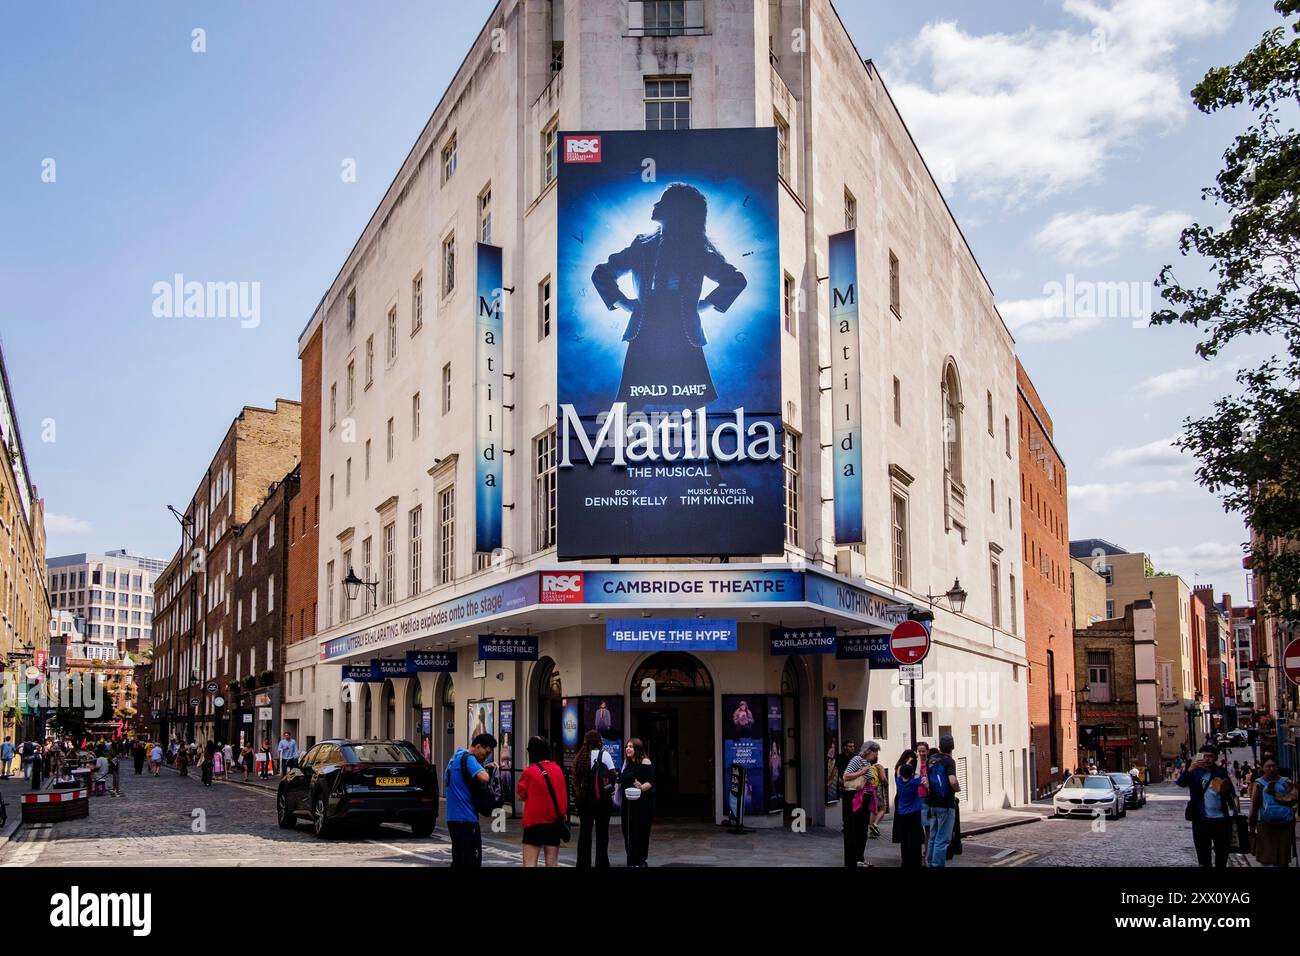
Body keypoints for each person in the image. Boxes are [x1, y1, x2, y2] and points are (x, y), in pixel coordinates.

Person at [591, 181, 748, 411]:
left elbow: (735, 280)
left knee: (695, 400)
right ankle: (622, 445)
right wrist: (622, 302)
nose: (656, 204)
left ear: (677, 210)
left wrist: (703, 305)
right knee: (632, 400)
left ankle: (704, 444)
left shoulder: (697, 251)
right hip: (646, 324)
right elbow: (602, 272)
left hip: (683, 326)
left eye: (663, 201)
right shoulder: (642, 245)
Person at [1177, 744, 1237, 868]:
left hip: (1220, 820)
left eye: (1210, 756)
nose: (1207, 759)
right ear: (1200, 757)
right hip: (1201, 820)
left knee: (1222, 856)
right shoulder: (1195, 772)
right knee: (1204, 858)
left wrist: (1234, 809)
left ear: (1215, 758)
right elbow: (1180, 783)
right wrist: (1190, 769)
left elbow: (1231, 794)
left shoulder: (1220, 772)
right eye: (1205, 756)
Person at [445, 732, 497, 868]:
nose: (486, 756)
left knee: (459, 860)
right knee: (471, 860)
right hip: (466, 819)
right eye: (486, 752)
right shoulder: (469, 759)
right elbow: (485, 777)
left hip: (453, 818)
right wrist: (490, 770)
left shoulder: (456, 756)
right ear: (478, 746)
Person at [515, 736, 568, 867]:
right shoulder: (558, 769)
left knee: (530, 863)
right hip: (554, 822)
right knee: (552, 863)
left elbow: (521, 795)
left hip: (534, 824)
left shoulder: (529, 772)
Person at [572, 729, 616, 868]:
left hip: (584, 801)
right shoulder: (605, 755)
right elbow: (612, 775)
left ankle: (583, 863)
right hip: (602, 801)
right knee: (602, 833)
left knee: (585, 832)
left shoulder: (580, 757)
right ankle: (601, 863)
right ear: (599, 742)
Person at [1248, 756, 1297, 867]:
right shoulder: (1259, 784)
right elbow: (1254, 806)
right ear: (1263, 768)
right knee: (1267, 858)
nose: (1271, 769)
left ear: (1277, 767)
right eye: (1268, 766)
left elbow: (1293, 800)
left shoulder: (1286, 782)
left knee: (1282, 857)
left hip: (1285, 824)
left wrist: (1277, 796)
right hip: (1265, 824)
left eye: (1273, 766)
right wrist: (1251, 825)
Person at [926, 734, 961, 867]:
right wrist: (957, 788)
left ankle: (930, 863)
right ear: (952, 747)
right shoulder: (949, 761)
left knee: (933, 838)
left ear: (940, 746)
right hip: (946, 804)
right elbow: (952, 780)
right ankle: (937, 865)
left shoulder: (931, 759)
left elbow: (928, 782)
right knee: (943, 839)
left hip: (933, 803)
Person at [619, 737, 655, 867]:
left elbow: (650, 782)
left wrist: (641, 787)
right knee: (627, 832)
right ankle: (632, 860)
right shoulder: (627, 763)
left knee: (640, 832)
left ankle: (640, 860)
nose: (628, 749)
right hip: (628, 804)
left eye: (631, 746)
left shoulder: (645, 762)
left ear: (637, 749)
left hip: (642, 804)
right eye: (627, 746)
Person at [841, 743, 877, 866]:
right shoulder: (857, 760)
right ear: (868, 751)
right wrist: (862, 771)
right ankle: (855, 858)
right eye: (875, 752)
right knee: (856, 829)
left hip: (866, 798)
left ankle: (860, 858)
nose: (876, 755)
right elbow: (846, 776)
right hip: (857, 798)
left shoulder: (867, 763)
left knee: (862, 830)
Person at [892, 750, 924, 868]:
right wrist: (918, 759)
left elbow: (899, 771)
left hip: (902, 813)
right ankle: (915, 860)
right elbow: (918, 771)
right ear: (911, 774)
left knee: (904, 838)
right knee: (914, 837)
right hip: (914, 813)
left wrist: (907, 762)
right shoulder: (913, 782)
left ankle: (905, 860)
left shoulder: (899, 781)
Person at [914, 741, 931, 865]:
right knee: (917, 828)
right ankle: (918, 853)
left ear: (928, 751)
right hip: (916, 799)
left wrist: (928, 783)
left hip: (927, 798)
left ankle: (927, 853)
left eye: (923, 751)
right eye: (919, 751)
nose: (921, 753)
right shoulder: (915, 764)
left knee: (928, 828)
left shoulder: (931, 765)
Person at [867, 742, 889, 838]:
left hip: (868, 789)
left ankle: (869, 829)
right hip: (877, 790)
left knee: (872, 809)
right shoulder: (878, 766)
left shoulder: (866, 766)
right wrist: (887, 783)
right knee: (882, 808)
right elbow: (883, 778)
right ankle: (874, 825)